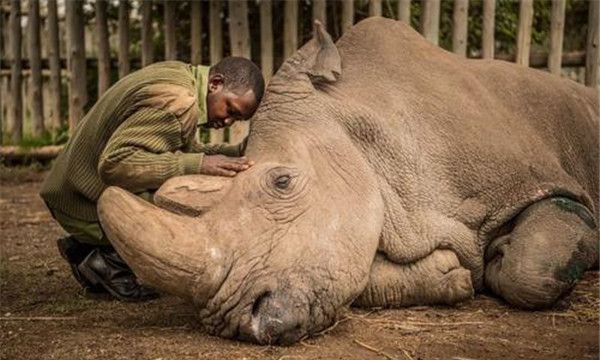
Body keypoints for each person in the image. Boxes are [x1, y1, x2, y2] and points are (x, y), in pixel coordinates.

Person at [40, 57, 265, 301]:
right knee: (188, 201)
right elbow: (115, 164)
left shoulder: (181, 77)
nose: (227, 121)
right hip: (80, 201)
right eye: (230, 109)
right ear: (215, 84)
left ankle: (91, 250)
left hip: (70, 188)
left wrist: (236, 154)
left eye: (237, 119)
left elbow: (178, 150)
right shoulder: (179, 103)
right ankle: (105, 259)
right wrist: (199, 164)